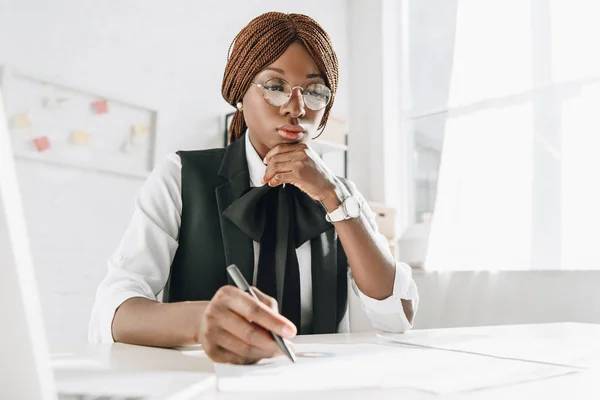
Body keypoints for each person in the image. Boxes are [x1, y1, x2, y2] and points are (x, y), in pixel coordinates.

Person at [89, 11, 419, 365]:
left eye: (315, 92)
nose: (297, 108)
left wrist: (334, 200)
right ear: (240, 92)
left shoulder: (343, 196)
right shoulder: (181, 176)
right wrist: (200, 321)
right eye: (275, 87)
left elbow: (396, 317)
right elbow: (111, 312)